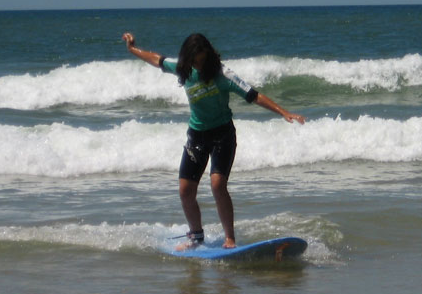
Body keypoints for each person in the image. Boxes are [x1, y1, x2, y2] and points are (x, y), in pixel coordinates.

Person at [122, 32, 305, 250]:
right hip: (197, 136)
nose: (198, 65)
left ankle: (230, 238)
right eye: (194, 61)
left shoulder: (222, 74)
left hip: (222, 135)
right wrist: (133, 48)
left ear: (208, 55)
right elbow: (157, 59)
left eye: (201, 60)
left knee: (218, 185)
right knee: (185, 190)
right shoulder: (183, 68)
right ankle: (196, 237)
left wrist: (283, 112)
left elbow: (253, 95)